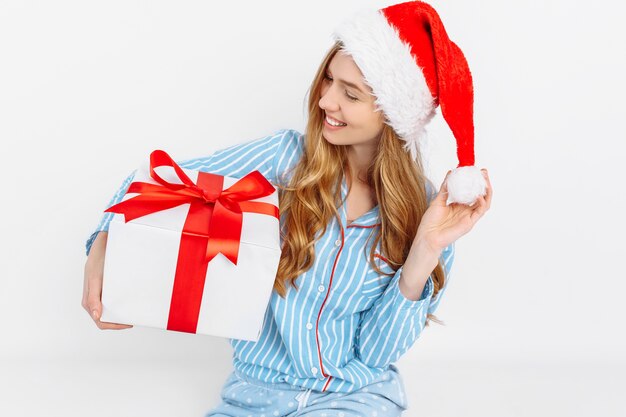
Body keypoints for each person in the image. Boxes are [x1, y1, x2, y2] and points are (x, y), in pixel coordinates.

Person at [82, 1, 492, 416]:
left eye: (350, 94)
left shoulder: (428, 212)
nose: (327, 101)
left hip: (355, 399)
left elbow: (374, 354)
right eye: (328, 80)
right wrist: (103, 244)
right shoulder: (283, 159)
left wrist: (424, 250)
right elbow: (160, 181)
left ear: (394, 113)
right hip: (252, 396)